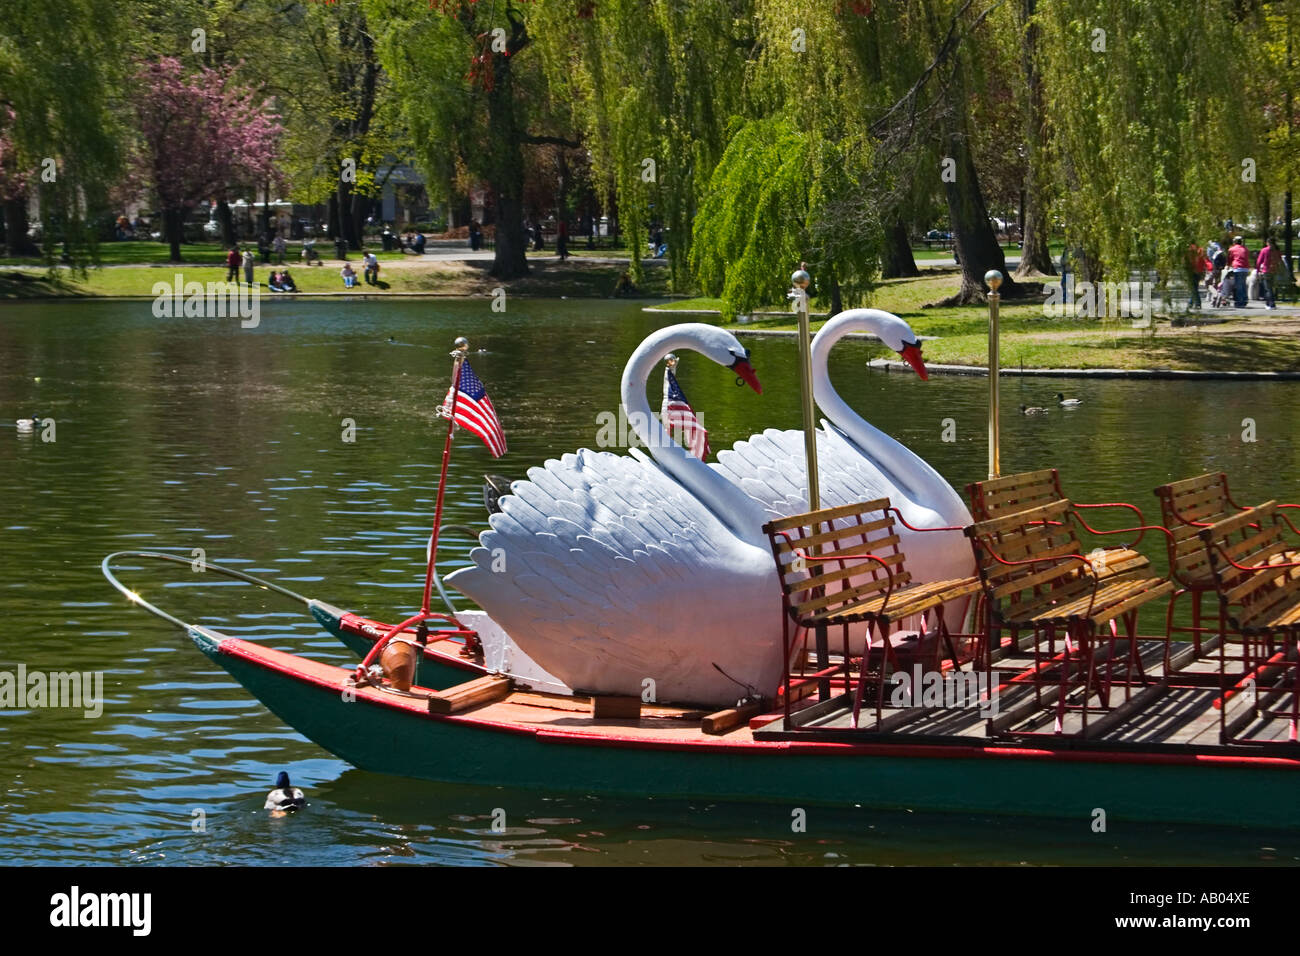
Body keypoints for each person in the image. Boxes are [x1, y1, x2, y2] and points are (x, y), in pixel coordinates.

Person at [1257, 235, 1281, 309]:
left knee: (1268, 288)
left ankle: (1271, 304)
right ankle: (1268, 303)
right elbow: (1279, 260)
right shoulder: (1277, 250)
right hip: (1274, 270)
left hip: (1266, 270)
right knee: (1271, 288)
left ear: (1268, 242)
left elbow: (1259, 261)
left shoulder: (1264, 250)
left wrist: (1258, 270)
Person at [1227, 235, 1250, 307]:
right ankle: (1244, 299)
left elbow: (1229, 259)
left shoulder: (1232, 249)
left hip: (1237, 268)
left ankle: (1240, 301)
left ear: (1235, 241)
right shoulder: (1245, 249)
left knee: (1238, 285)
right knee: (1243, 284)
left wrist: (1228, 265)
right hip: (1245, 268)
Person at [1185, 242, 1204, 310]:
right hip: (1199, 271)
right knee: (1194, 287)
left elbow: (1189, 261)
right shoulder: (1201, 249)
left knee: (1194, 288)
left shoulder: (1189, 250)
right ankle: (1191, 303)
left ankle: (1198, 303)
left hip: (1193, 271)